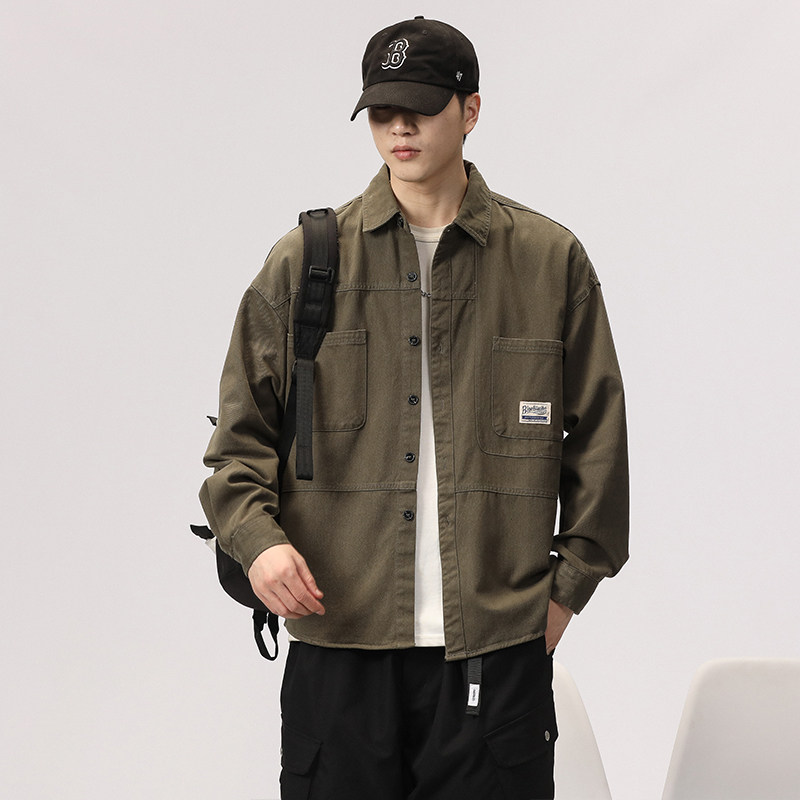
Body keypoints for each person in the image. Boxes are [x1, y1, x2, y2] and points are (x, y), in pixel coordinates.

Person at [200, 16, 629, 800]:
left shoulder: (548, 261)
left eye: (422, 107)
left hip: (495, 649)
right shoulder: (306, 263)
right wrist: (259, 546)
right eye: (382, 109)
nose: (399, 127)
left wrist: (566, 591)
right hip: (340, 642)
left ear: (470, 111)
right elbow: (237, 447)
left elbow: (600, 442)